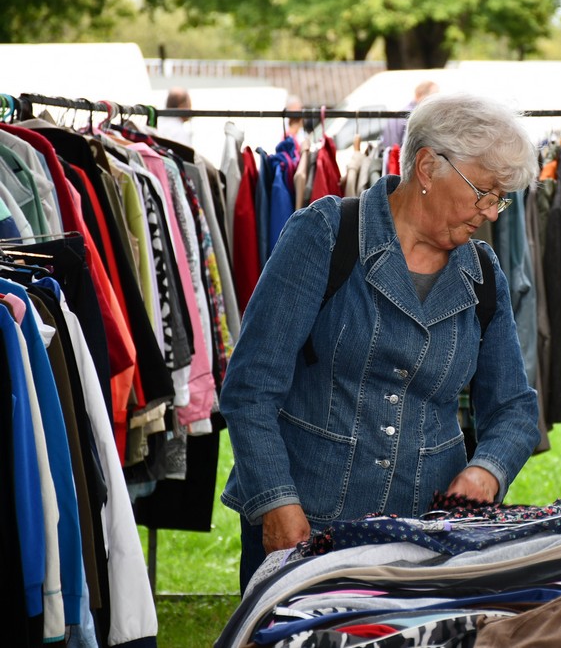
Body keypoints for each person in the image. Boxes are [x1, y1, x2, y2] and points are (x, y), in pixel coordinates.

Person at [220, 92, 541, 593]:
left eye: (500, 198)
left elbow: (515, 409)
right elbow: (249, 387)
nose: (492, 213)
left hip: (425, 541)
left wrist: (487, 472)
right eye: (484, 192)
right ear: (429, 167)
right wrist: (276, 501)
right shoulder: (324, 236)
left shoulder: (483, 275)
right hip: (305, 530)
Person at [380, 80, 440, 148]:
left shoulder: (401, 113)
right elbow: (410, 148)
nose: (437, 99)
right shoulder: (416, 116)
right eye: (434, 95)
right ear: (421, 95)